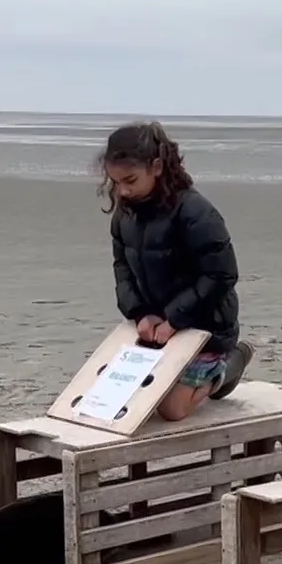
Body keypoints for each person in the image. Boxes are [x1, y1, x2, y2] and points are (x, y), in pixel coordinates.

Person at [100, 121, 254, 421]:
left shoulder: (196, 212)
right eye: (115, 182)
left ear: (156, 167)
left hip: (205, 328)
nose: (123, 191)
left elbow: (221, 276)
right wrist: (140, 314)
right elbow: (122, 268)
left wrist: (175, 319)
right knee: (118, 396)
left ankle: (230, 365)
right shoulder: (124, 214)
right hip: (155, 327)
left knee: (171, 409)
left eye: (130, 180)